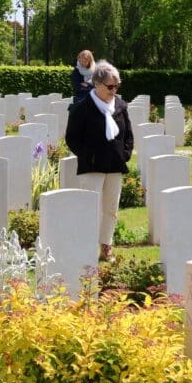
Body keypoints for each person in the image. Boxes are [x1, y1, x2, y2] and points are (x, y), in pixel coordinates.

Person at [64, 61, 134, 264]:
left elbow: (128, 134)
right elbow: (72, 138)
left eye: (117, 86)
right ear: (97, 84)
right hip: (92, 167)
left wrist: (125, 154)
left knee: (111, 209)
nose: (114, 90)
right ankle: (86, 246)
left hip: (114, 165)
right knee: (90, 208)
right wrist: (88, 156)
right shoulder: (82, 107)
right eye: (110, 86)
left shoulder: (120, 106)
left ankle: (106, 247)